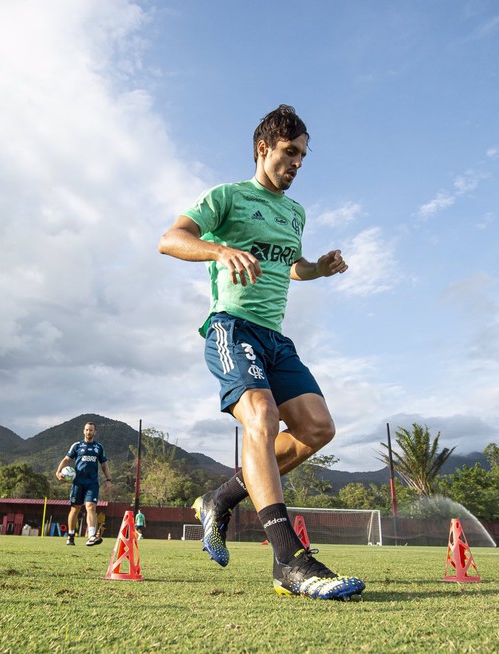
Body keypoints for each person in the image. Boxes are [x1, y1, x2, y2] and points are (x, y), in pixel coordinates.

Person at [158, 104, 365, 601]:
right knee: (261, 414)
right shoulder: (226, 197)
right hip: (232, 327)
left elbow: (290, 267)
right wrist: (219, 250)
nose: (296, 164)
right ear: (263, 148)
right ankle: (288, 560)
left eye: (302, 158)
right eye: (289, 153)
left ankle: (220, 498)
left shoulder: (295, 213)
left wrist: (319, 267)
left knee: (318, 428)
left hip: (276, 337)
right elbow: (171, 239)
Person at [54, 421, 112, 546]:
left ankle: (91, 536)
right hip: (78, 483)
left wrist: (108, 480)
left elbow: (104, 464)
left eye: (91, 430)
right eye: (86, 429)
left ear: (95, 432)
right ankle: (70, 535)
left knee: (91, 507)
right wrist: (58, 472)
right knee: (75, 509)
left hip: (92, 483)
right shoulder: (76, 446)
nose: (88, 432)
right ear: (83, 431)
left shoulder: (99, 447)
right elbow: (66, 459)